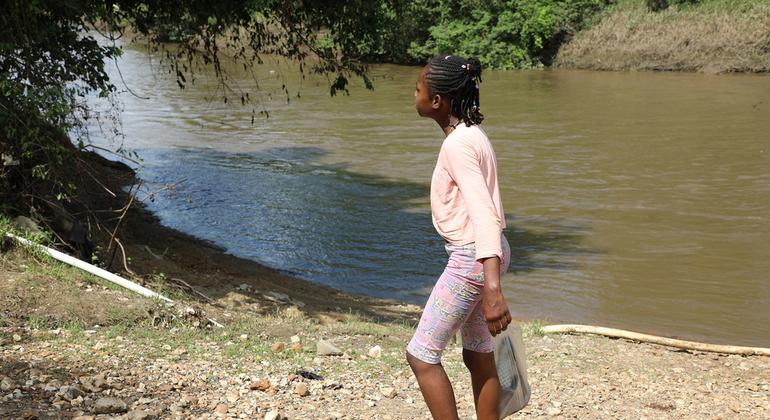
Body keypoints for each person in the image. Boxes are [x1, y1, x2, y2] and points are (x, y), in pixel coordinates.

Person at [406, 54, 512, 420]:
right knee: (478, 352)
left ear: (436, 101)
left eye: (418, 89)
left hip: (475, 258)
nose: (414, 93)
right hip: (488, 254)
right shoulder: (472, 135)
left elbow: (484, 212)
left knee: (421, 355)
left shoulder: (457, 145)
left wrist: (493, 288)